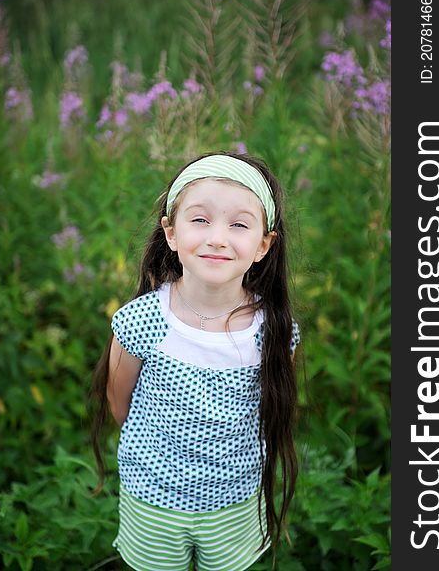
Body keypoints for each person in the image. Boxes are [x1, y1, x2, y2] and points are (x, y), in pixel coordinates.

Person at [90, 152, 302, 571]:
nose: (218, 237)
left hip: (234, 500)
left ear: (264, 244)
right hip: (153, 497)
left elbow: (272, 408)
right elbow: (121, 405)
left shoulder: (274, 330)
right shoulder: (142, 321)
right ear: (171, 232)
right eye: (200, 220)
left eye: (239, 224)